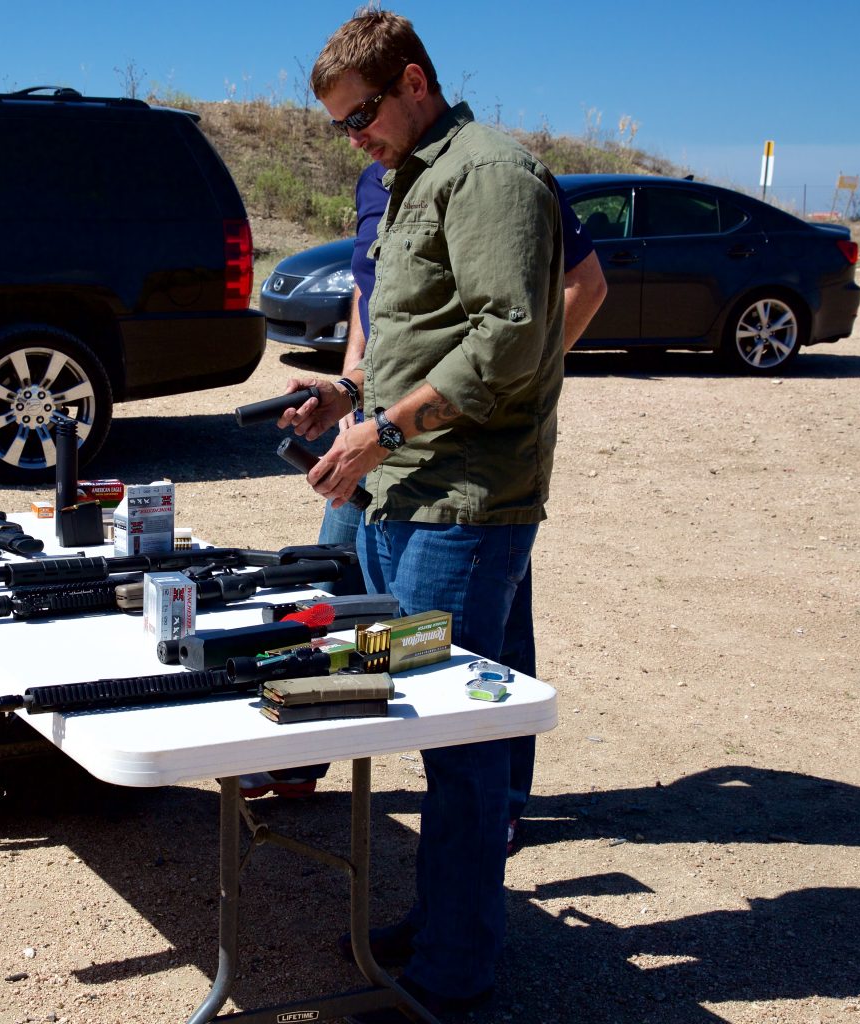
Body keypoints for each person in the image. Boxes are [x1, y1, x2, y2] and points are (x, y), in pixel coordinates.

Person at [279, 8, 588, 1015]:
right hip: (395, 483)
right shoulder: (408, 178)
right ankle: (448, 922)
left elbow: (508, 341)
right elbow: (411, 331)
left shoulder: (491, 174)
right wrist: (347, 401)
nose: (352, 139)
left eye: (360, 115)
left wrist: (388, 428)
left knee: (455, 737)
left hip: (460, 504)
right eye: (339, 126)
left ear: (415, 82)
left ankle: (458, 972)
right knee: (415, 714)